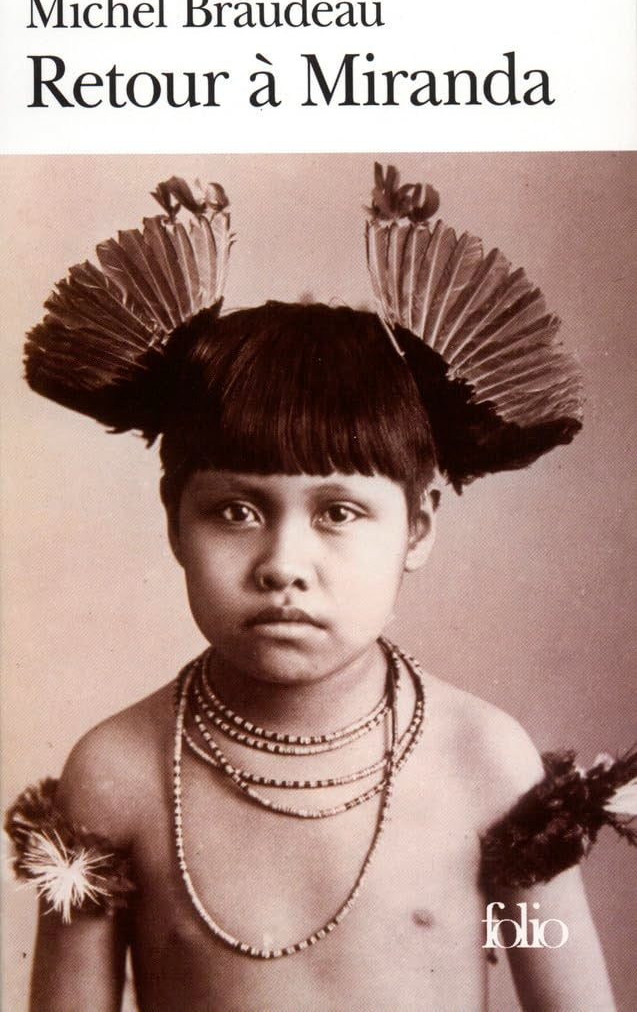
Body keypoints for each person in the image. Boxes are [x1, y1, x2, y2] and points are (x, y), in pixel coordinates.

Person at [7, 167, 634, 1011]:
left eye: (338, 511)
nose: (283, 562)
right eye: (234, 510)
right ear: (173, 523)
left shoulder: (482, 760)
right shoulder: (116, 773)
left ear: (417, 526)